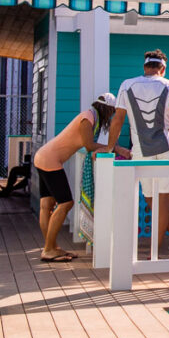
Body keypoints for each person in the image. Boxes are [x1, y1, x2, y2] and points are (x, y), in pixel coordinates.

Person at [107, 49, 169, 255]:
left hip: (141, 150)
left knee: (152, 199)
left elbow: (117, 119)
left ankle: (164, 244)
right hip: (167, 149)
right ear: (162, 68)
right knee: (164, 199)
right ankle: (161, 246)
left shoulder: (127, 85)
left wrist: (110, 147)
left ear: (145, 67)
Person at [31, 93, 118, 262]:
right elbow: (89, 145)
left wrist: (110, 147)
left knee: (46, 204)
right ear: (108, 109)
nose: (112, 116)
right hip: (50, 160)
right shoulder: (87, 118)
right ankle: (49, 249)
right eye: (112, 112)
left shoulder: (89, 116)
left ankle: (52, 246)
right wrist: (113, 148)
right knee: (66, 203)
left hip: (43, 156)